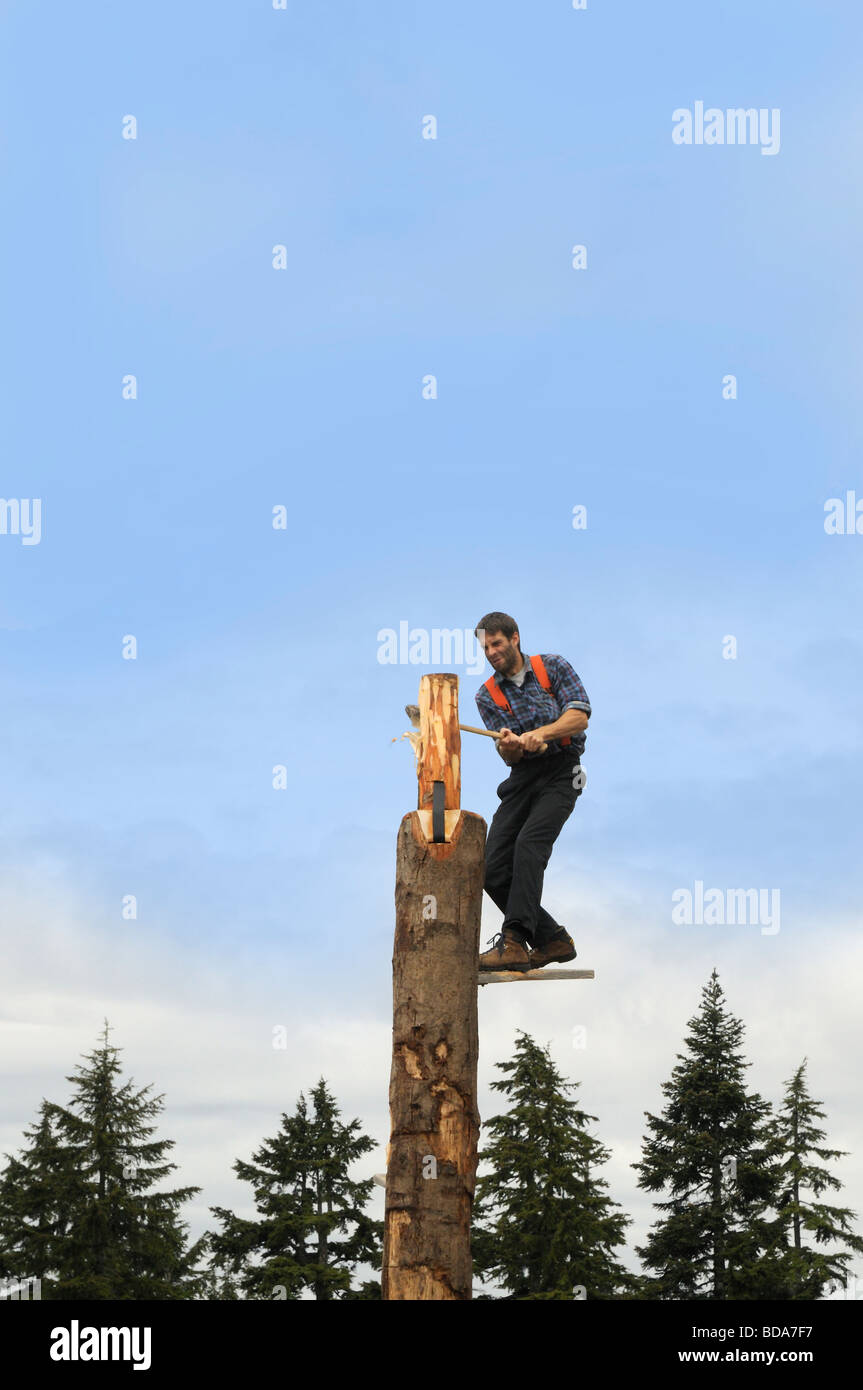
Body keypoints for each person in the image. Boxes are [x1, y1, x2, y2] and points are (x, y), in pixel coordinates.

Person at [473, 612, 590, 972]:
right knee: (489, 868)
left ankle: (513, 940)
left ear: (515, 638)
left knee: (529, 846)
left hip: (562, 772)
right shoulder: (487, 695)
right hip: (523, 777)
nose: (491, 652)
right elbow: (507, 755)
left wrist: (544, 733)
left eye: (496, 643)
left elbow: (580, 715)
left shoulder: (552, 667)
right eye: (485, 646)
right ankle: (551, 938)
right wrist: (510, 746)